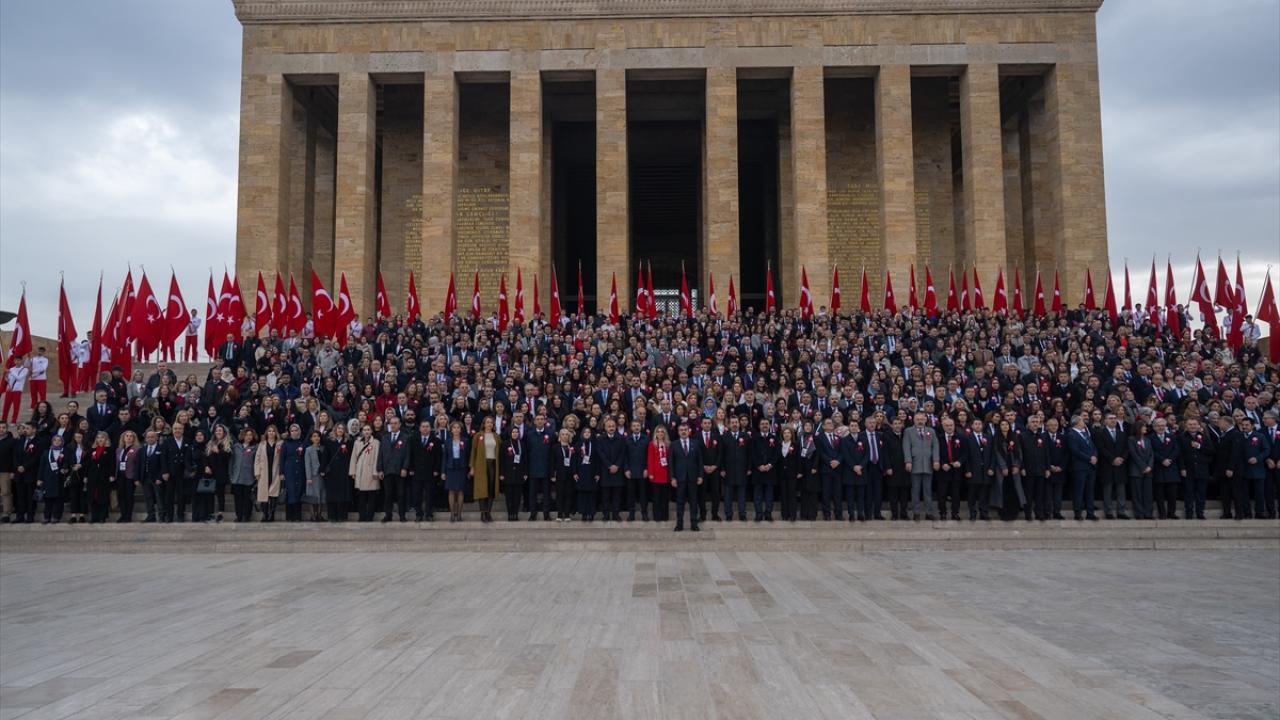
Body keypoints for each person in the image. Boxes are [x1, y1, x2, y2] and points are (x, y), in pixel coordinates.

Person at [903, 411, 939, 522]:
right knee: (915, 490)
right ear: (913, 420)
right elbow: (906, 447)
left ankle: (928, 512)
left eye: (922, 419)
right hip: (915, 464)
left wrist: (936, 460)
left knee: (928, 490)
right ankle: (916, 512)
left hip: (928, 464)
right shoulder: (908, 431)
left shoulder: (931, 431)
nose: (920, 421)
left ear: (925, 420)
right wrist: (908, 461)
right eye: (917, 419)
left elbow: (935, 446)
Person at [1093, 413, 1129, 520]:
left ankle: (1121, 512)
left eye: (1114, 418)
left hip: (1120, 465)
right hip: (1107, 465)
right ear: (1105, 421)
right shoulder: (1100, 433)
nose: (1113, 420)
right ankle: (1108, 512)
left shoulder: (1122, 434)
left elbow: (1127, 449)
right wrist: (1112, 459)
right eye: (1110, 418)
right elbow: (1101, 448)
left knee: (1121, 490)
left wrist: (1122, 458)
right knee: (1107, 489)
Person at [1178, 417, 1214, 520]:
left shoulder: (1204, 437)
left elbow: (1211, 451)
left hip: (1202, 469)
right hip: (1188, 470)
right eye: (1190, 424)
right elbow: (1180, 455)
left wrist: (1199, 447)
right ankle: (1189, 513)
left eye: (1194, 424)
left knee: (1201, 493)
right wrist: (1182, 468)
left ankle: (1200, 513)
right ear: (1186, 425)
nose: (1192, 426)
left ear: (1198, 426)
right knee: (1188, 493)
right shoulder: (1181, 437)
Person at [1065, 415, 1099, 521]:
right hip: (1079, 468)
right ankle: (1078, 513)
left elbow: (1093, 447)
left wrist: (1095, 456)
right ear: (1077, 423)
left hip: (1090, 467)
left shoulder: (1085, 433)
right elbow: (1075, 451)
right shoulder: (1071, 434)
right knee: (1079, 491)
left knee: (1090, 491)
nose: (1084, 422)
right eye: (1082, 421)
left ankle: (1090, 513)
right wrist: (1089, 458)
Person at [378, 416, 411, 522]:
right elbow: (381, 454)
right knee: (388, 495)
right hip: (387, 470)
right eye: (391, 423)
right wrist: (380, 469)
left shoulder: (405, 437)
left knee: (401, 494)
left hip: (399, 470)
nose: (393, 425)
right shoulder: (385, 437)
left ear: (400, 424)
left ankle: (402, 515)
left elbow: (407, 455)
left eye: (395, 423)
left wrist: (405, 468)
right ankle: (388, 515)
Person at [670, 423, 702, 532]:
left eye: (685, 429)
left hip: (693, 477)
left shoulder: (696, 443)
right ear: (678, 432)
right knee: (680, 502)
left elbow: (700, 461)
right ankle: (679, 524)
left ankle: (694, 523)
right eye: (681, 430)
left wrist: (700, 475)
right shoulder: (674, 444)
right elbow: (671, 463)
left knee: (694, 501)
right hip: (680, 478)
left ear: (689, 431)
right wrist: (672, 478)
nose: (683, 432)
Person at [468, 415, 500, 523]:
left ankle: (488, 513)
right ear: (484, 424)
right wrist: (472, 467)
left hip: (493, 464)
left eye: (491, 422)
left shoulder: (496, 436)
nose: (489, 424)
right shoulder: (478, 436)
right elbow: (473, 452)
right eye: (487, 422)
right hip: (481, 464)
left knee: (491, 489)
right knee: (482, 489)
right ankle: (482, 513)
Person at [1150, 416, 1181, 520]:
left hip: (1171, 468)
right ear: (1154, 427)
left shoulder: (1172, 436)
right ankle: (1162, 513)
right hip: (1158, 467)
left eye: (1162, 425)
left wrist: (1170, 459)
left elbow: (1176, 449)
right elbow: (1151, 451)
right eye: (1158, 426)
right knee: (1159, 494)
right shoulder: (1150, 437)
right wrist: (1162, 460)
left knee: (1172, 494)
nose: (1160, 427)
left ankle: (1171, 513)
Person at [350, 423, 382, 522]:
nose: (366, 431)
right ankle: (362, 516)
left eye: (368, 430)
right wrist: (353, 471)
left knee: (371, 496)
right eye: (365, 430)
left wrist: (376, 471)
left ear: (371, 431)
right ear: (362, 431)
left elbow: (377, 457)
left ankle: (370, 517)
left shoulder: (376, 442)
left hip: (371, 472)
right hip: (360, 471)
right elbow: (353, 458)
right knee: (361, 497)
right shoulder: (357, 442)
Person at [596, 417, 625, 521]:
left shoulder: (621, 438)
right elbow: (600, 454)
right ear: (605, 427)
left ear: (616, 427)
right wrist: (609, 465)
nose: (611, 428)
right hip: (605, 470)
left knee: (617, 495)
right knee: (605, 495)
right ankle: (606, 514)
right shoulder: (600, 439)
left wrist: (616, 465)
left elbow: (623, 453)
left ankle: (616, 514)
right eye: (609, 426)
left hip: (618, 470)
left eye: (613, 426)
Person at [526, 414, 553, 521]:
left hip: (546, 468)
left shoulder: (550, 434)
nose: (540, 421)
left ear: (545, 421)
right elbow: (527, 452)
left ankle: (546, 513)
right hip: (533, 468)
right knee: (532, 493)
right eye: (538, 419)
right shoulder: (529, 434)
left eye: (542, 419)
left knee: (546, 493)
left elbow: (552, 453)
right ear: (534, 421)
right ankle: (533, 513)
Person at [721, 416, 749, 521]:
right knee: (728, 494)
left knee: (742, 494)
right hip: (728, 470)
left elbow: (749, 454)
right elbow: (721, 454)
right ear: (729, 424)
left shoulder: (745, 436)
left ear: (739, 423)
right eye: (732, 422)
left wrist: (749, 468)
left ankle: (742, 514)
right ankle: (728, 514)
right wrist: (722, 469)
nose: (734, 424)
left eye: (736, 422)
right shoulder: (724, 437)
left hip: (742, 469)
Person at [750, 418, 779, 522]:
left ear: (769, 425)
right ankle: (758, 514)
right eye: (762, 424)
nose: (765, 425)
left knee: (769, 495)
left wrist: (770, 465)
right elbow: (752, 454)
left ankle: (768, 514)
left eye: (766, 424)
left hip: (770, 471)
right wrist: (759, 465)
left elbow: (777, 453)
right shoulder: (754, 438)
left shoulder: (774, 438)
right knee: (757, 495)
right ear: (759, 426)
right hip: (758, 471)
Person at [695, 416, 722, 523]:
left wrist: (715, 466)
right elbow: (696, 454)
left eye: (709, 423)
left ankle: (715, 514)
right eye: (705, 423)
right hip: (702, 470)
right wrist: (703, 466)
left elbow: (720, 453)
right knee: (701, 493)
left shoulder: (717, 436)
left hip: (714, 470)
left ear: (711, 425)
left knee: (715, 492)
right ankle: (702, 514)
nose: (707, 425)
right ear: (701, 425)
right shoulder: (696, 437)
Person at [254, 424, 284, 521]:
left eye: (273, 431)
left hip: (276, 471)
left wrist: (282, 472)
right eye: (269, 431)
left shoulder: (280, 443)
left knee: (274, 494)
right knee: (263, 494)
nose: (271, 433)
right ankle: (265, 514)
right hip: (264, 472)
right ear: (267, 433)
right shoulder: (262, 444)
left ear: (276, 433)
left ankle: (272, 514)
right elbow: (257, 459)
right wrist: (257, 472)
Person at [324, 424, 353, 521]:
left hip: (344, 470)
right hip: (332, 471)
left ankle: (342, 516)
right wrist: (323, 469)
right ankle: (332, 516)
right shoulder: (329, 441)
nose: (340, 430)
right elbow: (325, 456)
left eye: (342, 428)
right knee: (332, 494)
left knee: (343, 494)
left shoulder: (348, 441)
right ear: (335, 430)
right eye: (339, 428)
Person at [1127, 421, 1155, 520]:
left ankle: (1148, 513)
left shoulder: (1147, 439)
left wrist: (1149, 466)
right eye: (1144, 427)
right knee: (1137, 493)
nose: (1146, 428)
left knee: (1148, 494)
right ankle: (1139, 513)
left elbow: (1151, 454)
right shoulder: (1131, 439)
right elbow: (1134, 455)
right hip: (1136, 470)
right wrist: (1143, 467)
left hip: (1148, 471)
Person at [499, 424, 527, 521]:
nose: (515, 434)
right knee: (509, 495)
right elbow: (501, 460)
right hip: (508, 473)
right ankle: (510, 513)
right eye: (513, 432)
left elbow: (525, 460)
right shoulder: (505, 444)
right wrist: (501, 473)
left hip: (519, 473)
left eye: (517, 432)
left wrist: (525, 473)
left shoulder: (522, 444)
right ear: (510, 433)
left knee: (517, 495)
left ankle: (515, 513)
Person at [230, 428, 258, 522]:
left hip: (249, 477)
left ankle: (246, 516)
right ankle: (239, 516)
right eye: (246, 435)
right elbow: (232, 461)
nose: (248, 437)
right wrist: (231, 474)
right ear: (243, 436)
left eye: (250, 435)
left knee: (248, 498)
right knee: (238, 499)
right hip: (237, 477)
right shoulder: (236, 447)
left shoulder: (255, 447)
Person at [442, 421, 468, 522]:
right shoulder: (447, 441)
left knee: (460, 490)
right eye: (454, 428)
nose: (456, 429)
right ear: (451, 430)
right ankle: (452, 514)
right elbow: (445, 457)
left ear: (461, 430)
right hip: (450, 467)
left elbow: (467, 455)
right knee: (451, 490)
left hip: (461, 467)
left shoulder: (465, 441)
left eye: (458, 428)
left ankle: (460, 514)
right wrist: (443, 471)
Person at [776, 426, 802, 522]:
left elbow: (798, 459)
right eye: (785, 433)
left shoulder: (795, 445)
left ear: (792, 435)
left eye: (788, 433)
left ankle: (792, 515)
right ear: (782, 435)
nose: (787, 434)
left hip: (792, 473)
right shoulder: (779, 445)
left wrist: (799, 471)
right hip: (782, 473)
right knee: (783, 494)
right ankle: (785, 515)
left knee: (791, 494)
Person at [574, 426, 598, 522]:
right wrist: (575, 472)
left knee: (591, 494)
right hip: (581, 471)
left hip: (592, 472)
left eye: (589, 432)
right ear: (582, 434)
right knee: (582, 493)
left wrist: (597, 473)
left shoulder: (595, 445)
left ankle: (591, 513)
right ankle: (583, 513)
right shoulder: (578, 445)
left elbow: (597, 460)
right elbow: (574, 460)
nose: (587, 434)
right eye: (585, 432)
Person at [303, 429, 328, 522]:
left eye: (318, 436)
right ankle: (313, 515)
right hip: (313, 476)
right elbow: (307, 464)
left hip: (321, 476)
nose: (316, 438)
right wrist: (308, 477)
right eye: (314, 436)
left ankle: (319, 515)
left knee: (321, 495)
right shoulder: (308, 450)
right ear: (311, 438)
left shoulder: (323, 448)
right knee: (312, 496)